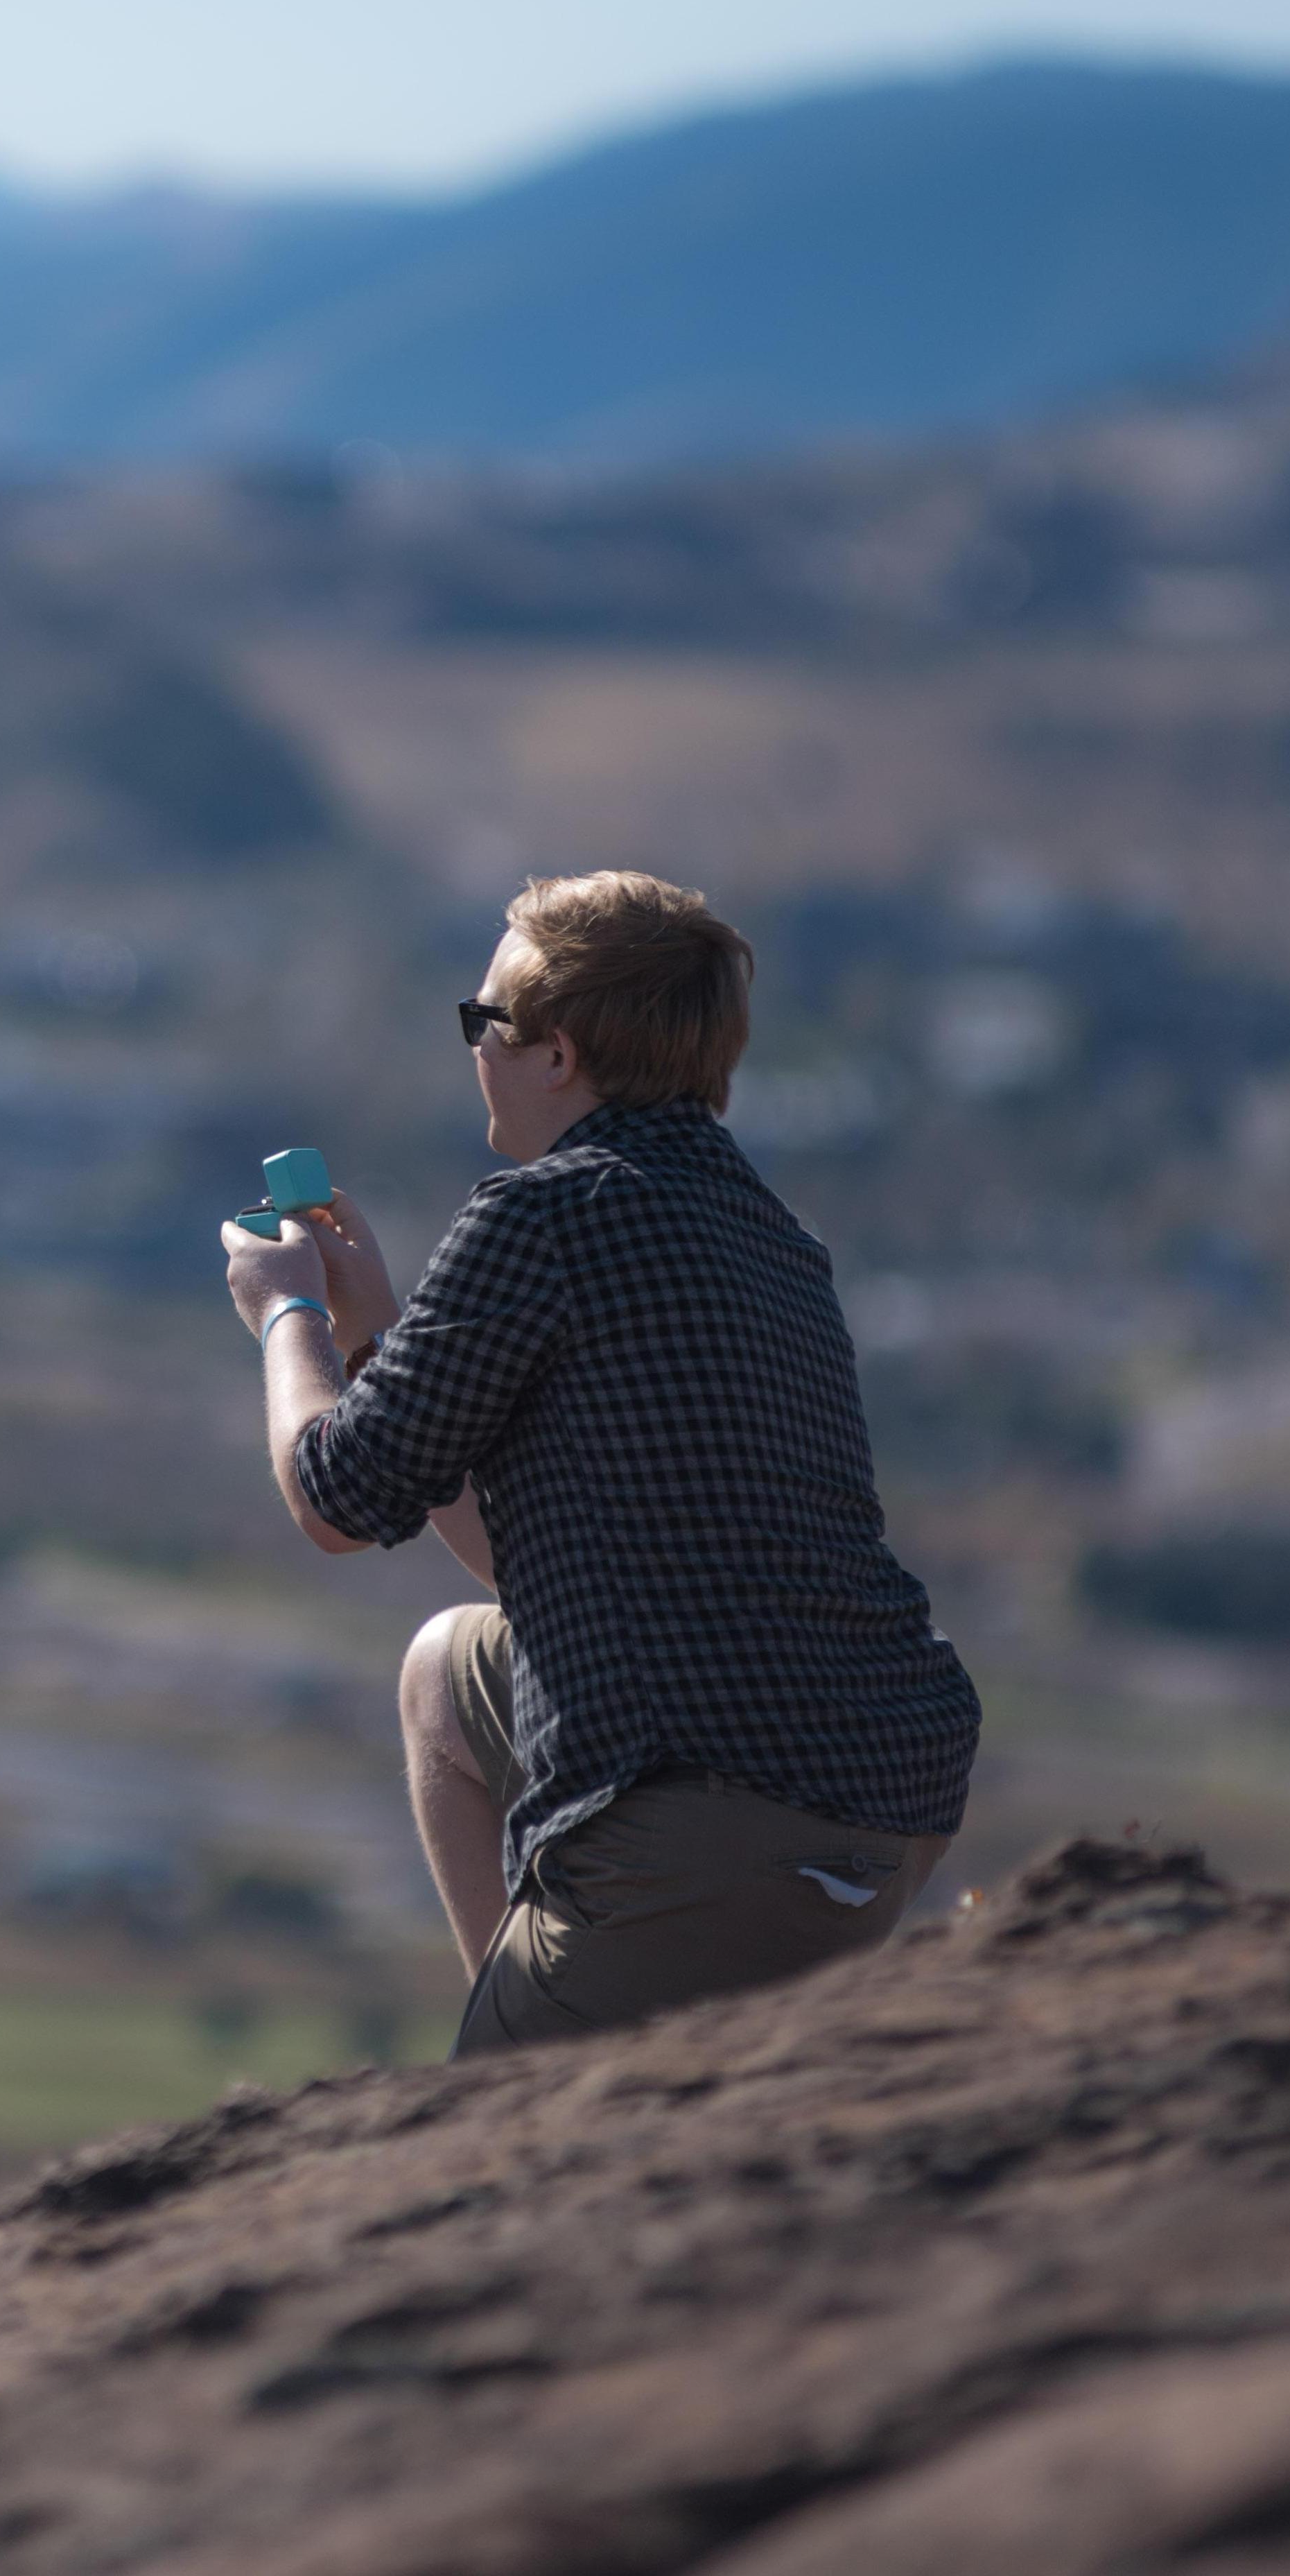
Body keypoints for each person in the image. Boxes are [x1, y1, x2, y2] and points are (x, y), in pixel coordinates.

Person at [221, 870, 977, 2056]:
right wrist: (376, 1333)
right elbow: (519, 1563)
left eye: (486, 1023)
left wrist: (287, 1316)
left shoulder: (540, 1216)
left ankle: (532, 2071)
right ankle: (536, 2015)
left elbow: (336, 1499)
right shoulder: (776, 1241)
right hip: (887, 1791)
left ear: (559, 1054)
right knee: (447, 1672)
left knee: (489, 2136)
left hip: (707, 1809)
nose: (476, 1049)